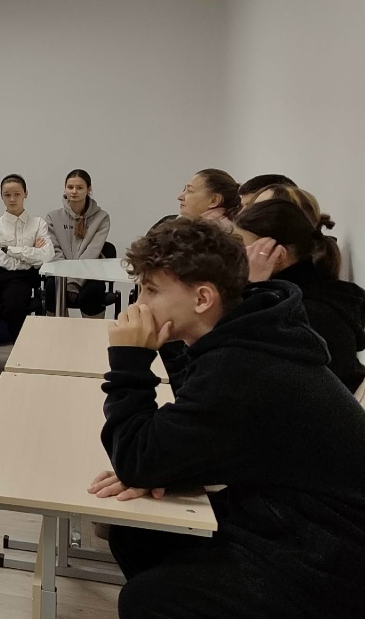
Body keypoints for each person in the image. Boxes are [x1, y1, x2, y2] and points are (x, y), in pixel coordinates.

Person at [88, 218, 365, 619]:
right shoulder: (247, 334)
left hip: (331, 555)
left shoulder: (241, 366)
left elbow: (136, 460)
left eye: (151, 290)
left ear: (202, 298)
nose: (138, 306)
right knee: (136, 533)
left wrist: (129, 361)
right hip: (284, 516)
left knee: (149, 599)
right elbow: (194, 426)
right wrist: (163, 465)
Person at [235, 199, 365, 393]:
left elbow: (242, 358)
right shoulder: (299, 295)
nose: (236, 257)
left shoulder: (305, 312)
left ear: (277, 254)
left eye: (242, 248)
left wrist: (252, 285)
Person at [0, 174, 53, 377]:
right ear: (1, 196)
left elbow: (47, 255)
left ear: (25, 194)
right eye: (7, 195)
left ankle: (20, 351)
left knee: (15, 305)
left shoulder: (38, 223)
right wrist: (28, 255)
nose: (12, 199)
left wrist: (10, 250)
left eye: (17, 194)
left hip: (21, 278)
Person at [45, 169, 112, 319]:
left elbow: (92, 251)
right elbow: (54, 250)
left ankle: (92, 332)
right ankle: (58, 330)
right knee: (51, 288)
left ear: (89, 189)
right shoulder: (52, 217)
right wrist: (65, 280)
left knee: (92, 293)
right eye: (70, 187)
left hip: (90, 273)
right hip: (60, 274)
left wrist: (74, 282)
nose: (74, 191)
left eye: (79, 187)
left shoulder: (102, 218)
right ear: (65, 189)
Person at [174, 168, 241, 229]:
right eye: (184, 190)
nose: (180, 197)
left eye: (190, 191)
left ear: (214, 200)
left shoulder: (220, 232)